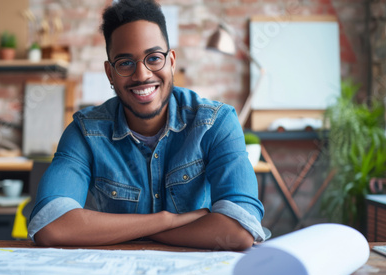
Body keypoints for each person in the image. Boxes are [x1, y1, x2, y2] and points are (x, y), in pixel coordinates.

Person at [28, 0, 265, 250]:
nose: (142, 75)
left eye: (153, 58)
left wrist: (135, 232)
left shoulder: (215, 123)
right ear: (110, 74)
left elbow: (239, 230)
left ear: (171, 62)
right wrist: (167, 221)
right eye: (126, 63)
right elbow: (51, 226)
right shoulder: (85, 132)